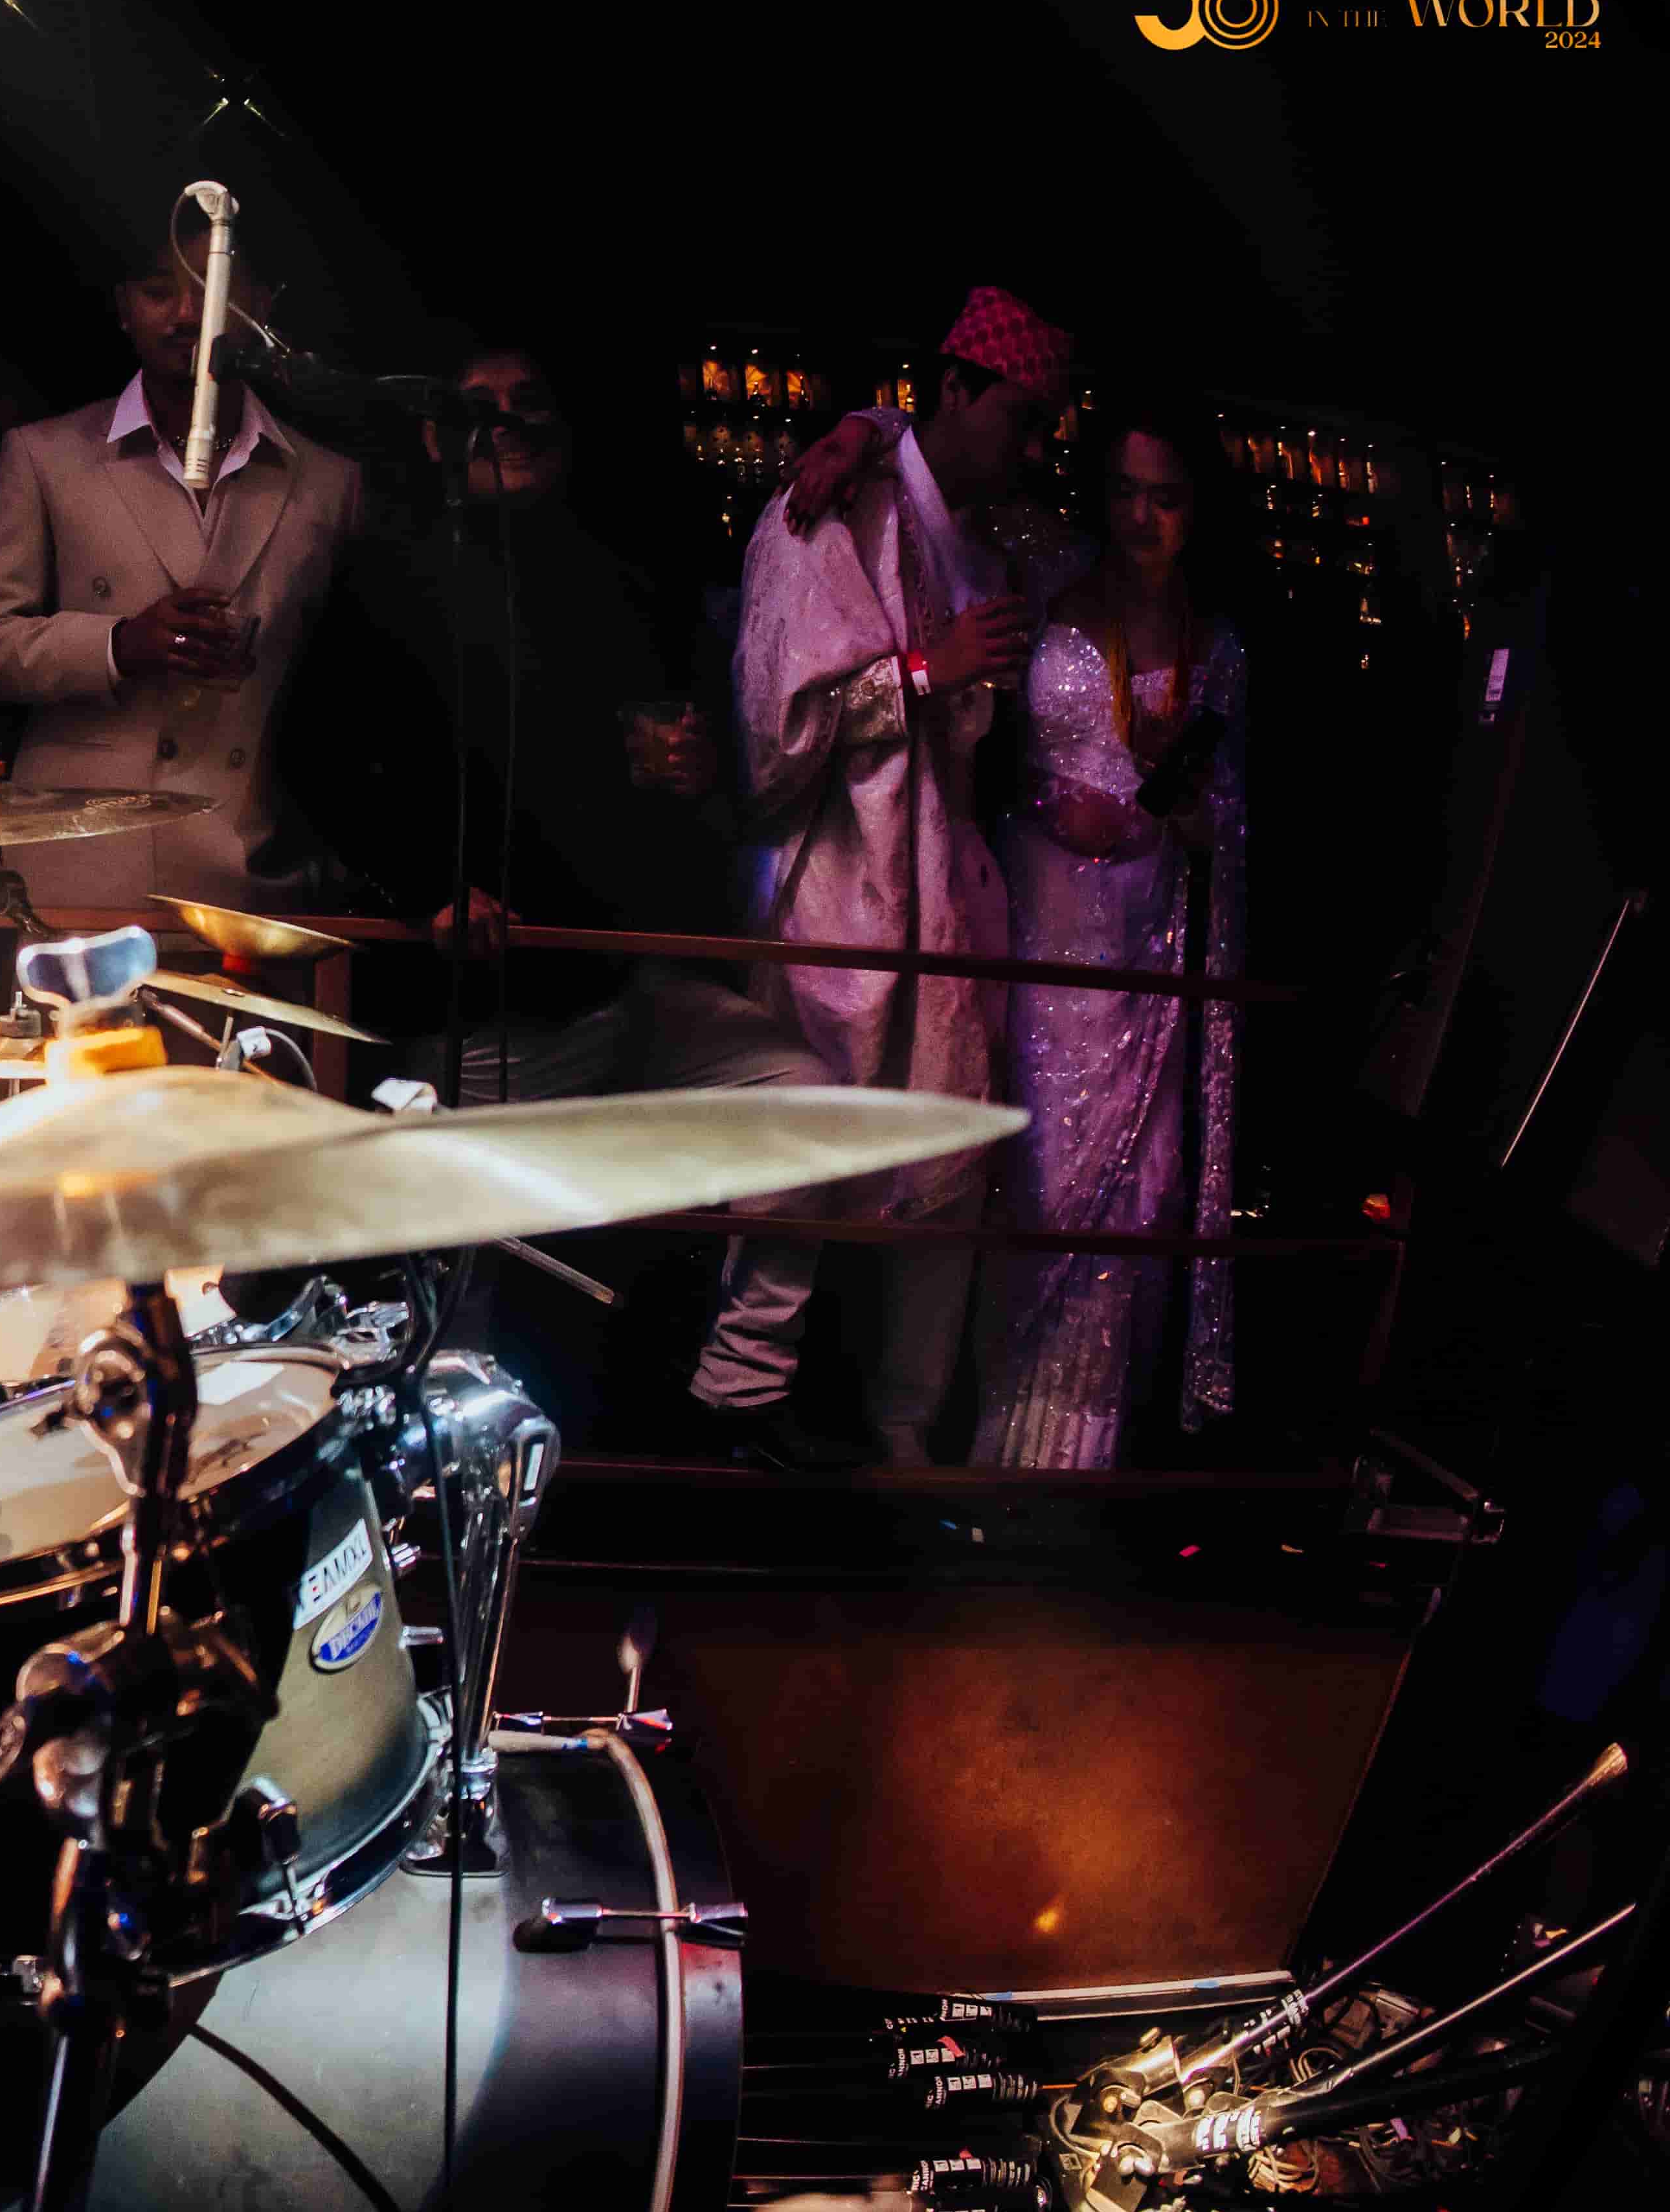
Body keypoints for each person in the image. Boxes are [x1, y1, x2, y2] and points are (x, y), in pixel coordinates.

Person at [302, 347, 868, 1467]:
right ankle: (448, 1483)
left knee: (806, 1098)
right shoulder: (388, 577)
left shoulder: (617, 580)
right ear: (435, 435)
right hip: (482, 1010)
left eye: (531, 406)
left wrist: (690, 771)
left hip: (616, 987)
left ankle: (738, 1393)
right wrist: (426, 890)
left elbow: (674, 775)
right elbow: (320, 764)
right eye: (479, 410)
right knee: (468, 1290)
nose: (508, 425)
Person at [738, 286, 1080, 1461]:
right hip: (840, 888)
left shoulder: (991, 538)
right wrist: (929, 673)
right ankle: (740, 1410)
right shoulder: (830, 506)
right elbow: (773, 738)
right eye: (1019, 419)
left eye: (1046, 429)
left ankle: (903, 1437)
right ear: (951, 387)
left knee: (945, 1170)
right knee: (799, 1160)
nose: (1032, 451)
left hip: (948, 890)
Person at [0, 199, 365, 912]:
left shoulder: (330, 482)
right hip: (81, 860)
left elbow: (354, 695)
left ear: (262, 304)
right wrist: (118, 644)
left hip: (249, 869)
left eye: (213, 289)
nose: (185, 315)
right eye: (157, 291)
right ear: (124, 307)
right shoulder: (47, 456)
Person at [969, 409, 1244, 1466]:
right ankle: (991, 1444)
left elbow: (1227, 826)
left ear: (1196, 510)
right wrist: (858, 432)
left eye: (1164, 496)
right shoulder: (1044, 574)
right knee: (1032, 1171)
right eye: (1124, 490)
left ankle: (1077, 1465)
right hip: (1039, 932)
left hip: (1142, 948)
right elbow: (945, 478)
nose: (1140, 516)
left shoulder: (1216, 647)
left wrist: (1173, 810)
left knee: (1133, 1187)